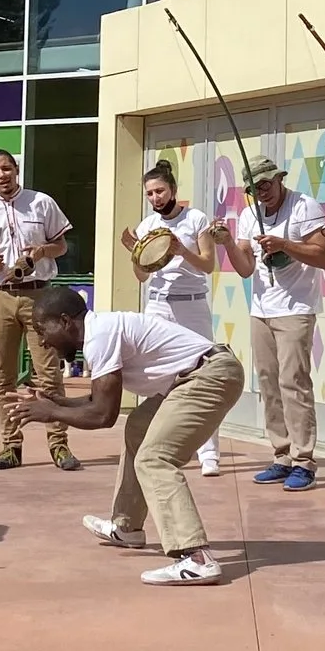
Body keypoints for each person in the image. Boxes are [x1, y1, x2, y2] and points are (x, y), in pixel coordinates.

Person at [16, 286, 245, 587]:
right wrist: (55, 402)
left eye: (42, 329)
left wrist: (51, 413)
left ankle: (196, 557)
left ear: (65, 321)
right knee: (138, 427)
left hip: (209, 376)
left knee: (155, 458)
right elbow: (100, 402)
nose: (43, 340)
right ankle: (127, 527)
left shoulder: (99, 336)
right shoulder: (102, 329)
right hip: (198, 375)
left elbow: (102, 416)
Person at [211, 157, 325, 492]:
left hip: (296, 308)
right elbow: (245, 268)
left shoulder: (304, 206)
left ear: (279, 179)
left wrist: (285, 245)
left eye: (266, 184)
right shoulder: (250, 215)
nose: (261, 192)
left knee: (294, 381)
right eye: (253, 188)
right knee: (268, 382)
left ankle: (304, 460)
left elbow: (324, 257)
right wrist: (225, 243)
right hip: (261, 309)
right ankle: (281, 455)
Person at [0, 149, 78, 472]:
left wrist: (42, 251)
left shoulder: (41, 202)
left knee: (48, 374)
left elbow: (61, 245)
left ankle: (59, 444)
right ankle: (11, 446)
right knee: (3, 377)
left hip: (40, 296)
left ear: (16, 170)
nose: (2, 175)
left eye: (7, 168)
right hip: (0, 297)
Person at [123, 160, 223, 477]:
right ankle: (158, 448)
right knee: (155, 375)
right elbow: (141, 276)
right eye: (150, 193)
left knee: (204, 373)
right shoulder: (146, 225)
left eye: (160, 191)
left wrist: (182, 250)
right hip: (158, 304)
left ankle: (210, 454)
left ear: (173, 190)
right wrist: (136, 252)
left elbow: (208, 265)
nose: (155, 198)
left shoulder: (196, 219)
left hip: (191, 304)